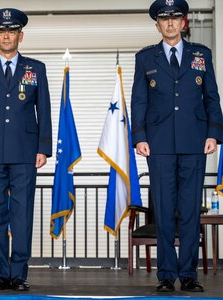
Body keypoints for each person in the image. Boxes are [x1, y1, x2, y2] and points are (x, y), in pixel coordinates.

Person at [131, 0, 223, 293]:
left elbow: (212, 98)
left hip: (195, 142)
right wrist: (140, 137)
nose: (169, 23)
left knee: (189, 211)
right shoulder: (146, 59)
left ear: (183, 22)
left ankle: (189, 275)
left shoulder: (201, 55)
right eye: (164, 18)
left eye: (175, 18)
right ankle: (166, 275)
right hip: (158, 146)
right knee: (165, 210)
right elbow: (139, 101)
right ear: (157, 24)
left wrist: (213, 133)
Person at [0, 8, 52, 292]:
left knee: (22, 213)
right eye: (2, 31)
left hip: (26, 152)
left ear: (20, 35)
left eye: (11, 31)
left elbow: (45, 111)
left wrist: (43, 148)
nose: (6, 36)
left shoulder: (35, 68)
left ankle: (18, 274)